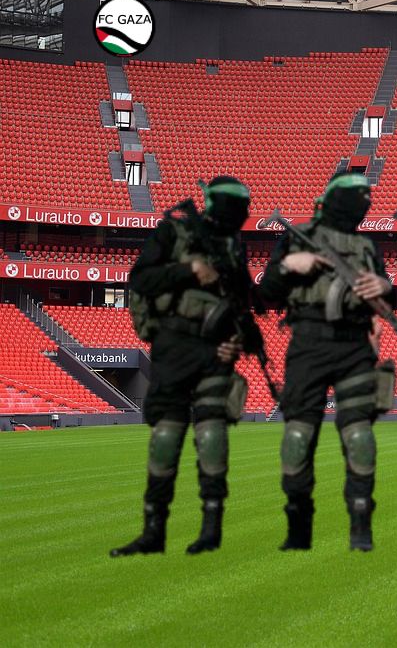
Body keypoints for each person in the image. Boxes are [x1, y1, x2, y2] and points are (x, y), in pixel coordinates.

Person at [111, 177, 255, 557]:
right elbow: (141, 279)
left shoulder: (233, 247)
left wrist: (238, 340)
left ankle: (211, 530)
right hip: (174, 346)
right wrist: (188, 270)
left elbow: (244, 302)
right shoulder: (172, 232)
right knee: (165, 437)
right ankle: (153, 532)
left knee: (212, 436)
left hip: (216, 351)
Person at [259, 172, 393, 552]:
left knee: (360, 437)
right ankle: (298, 526)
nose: (364, 202)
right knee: (298, 437)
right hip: (309, 343)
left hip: (355, 346)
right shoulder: (296, 236)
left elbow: (386, 293)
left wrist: (384, 286)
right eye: (357, 195)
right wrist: (289, 264)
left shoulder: (366, 244)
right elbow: (266, 294)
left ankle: (361, 525)